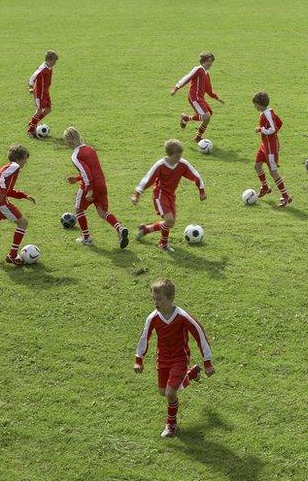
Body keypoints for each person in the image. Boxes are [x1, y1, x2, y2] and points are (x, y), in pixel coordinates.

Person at [134, 278, 214, 438]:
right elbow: (145, 337)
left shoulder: (182, 316)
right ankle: (192, 374)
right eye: (153, 299)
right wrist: (138, 359)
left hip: (179, 359)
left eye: (159, 299)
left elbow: (199, 334)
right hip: (162, 360)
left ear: (170, 299)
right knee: (163, 392)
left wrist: (208, 362)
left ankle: (171, 425)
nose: (155, 303)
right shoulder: (153, 318)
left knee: (171, 393)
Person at [132, 139, 206, 252]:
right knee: (169, 219)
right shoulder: (160, 165)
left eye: (180, 155)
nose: (179, 158)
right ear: (169, 154)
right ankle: (163, 244)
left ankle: (146, 229)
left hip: (171, 195)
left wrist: (201, 191)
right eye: (176, 156)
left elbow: (195, 175)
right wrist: (137, 194)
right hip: (160, 194)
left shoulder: (182, 164)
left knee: (170, 223)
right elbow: (147, 179)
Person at [63, 127, 128, 248]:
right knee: (102, 212)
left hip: (90, 186)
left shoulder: (75, 155)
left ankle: (86, 237)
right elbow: (93, 169)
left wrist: (89, 189)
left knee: (78, 210)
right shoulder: (90, 149)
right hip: (101, 184)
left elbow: (86, 172)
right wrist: (77, 178)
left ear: (68, 141)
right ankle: (119, 228)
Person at [172, 52, 224, 143]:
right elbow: (187, 77)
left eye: (212, 61)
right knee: (206, 116)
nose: (211, 63)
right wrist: (176, 87)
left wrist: (216, 97)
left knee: (209, 114)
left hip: (200, 98)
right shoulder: (198, 69)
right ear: (203, 61)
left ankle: (186, 118)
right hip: (194, 97)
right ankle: (197, 137)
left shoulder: (206, 73)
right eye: (209, 61)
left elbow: (208, 89)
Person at [252, 91, 291, 207]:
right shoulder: (268, 111)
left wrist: (261, 129)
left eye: (255, 104)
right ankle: (264, 187)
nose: (254, 106)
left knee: (273, 172)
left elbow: (273, 128)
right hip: (265, 145)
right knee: (257, 165)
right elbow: (280, 123)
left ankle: (286, 196)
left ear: (260, 104)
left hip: (271, 149)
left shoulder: (266, 114)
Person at [27, 50, 58, 137]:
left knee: (48, 109)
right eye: (54, 61)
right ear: (50, 60)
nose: (55, 63)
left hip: (45, 92)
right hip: (40, 93)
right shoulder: (43, 68)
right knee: (39, 110)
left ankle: (33, 122)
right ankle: (31, 130)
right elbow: (33, 77)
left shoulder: (49, 67)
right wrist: (30, 87)